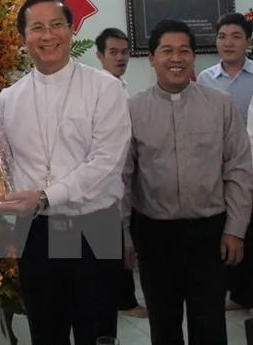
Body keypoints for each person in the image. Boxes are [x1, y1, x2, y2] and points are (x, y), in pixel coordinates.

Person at [0, 0, 131, 345]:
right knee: (45, 332)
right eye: (36, 27)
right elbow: (3, 165)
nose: (48, 35)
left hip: (94, 227)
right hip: (37, 233)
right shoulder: (10, 98)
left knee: (97, 332)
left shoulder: (105, 87)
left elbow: (107, 160)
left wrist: (44, 196)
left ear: (72, 31)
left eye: (56, 25)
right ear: (23, 38)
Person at [123, 19, 253, 345]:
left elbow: (238, 168)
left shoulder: (219, 106)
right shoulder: (132, 109)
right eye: (166, 50)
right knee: (163, 326)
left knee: (209, 325)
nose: (176, 58)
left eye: (184, 50)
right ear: (151, 58)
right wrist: (124, 235)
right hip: (154, 235)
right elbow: (122, 177)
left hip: (209, 234)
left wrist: (235, 229)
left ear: (194, 57)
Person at [197, 13, 253, 314]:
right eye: (222, 36)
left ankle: (246, 293)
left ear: (248, 41)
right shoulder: (205, 79)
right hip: (219, 168)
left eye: (235, 36)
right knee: (226, 229)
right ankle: (232, 291)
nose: (228, 42)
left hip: (252, 165)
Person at [95, 27, 148, 319]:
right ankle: (124, 301)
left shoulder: (120, 85)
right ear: (99, 55)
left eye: (124, 51)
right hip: (107, 175)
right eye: (113, 52)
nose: (120, 57)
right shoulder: (102, 87)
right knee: (114, 239)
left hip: (124, 172)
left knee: (122, 237)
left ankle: (123, 298)